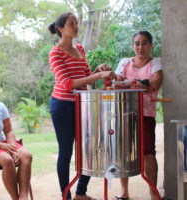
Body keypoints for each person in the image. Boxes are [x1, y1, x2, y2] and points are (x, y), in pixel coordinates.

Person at [48, 12, 117, 200]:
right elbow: (68, 83)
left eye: (77, 23)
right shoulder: (55, 53)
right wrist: (98, 76)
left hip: (83, 105)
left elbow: (86, 76)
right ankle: (66, 196)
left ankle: (80, 193)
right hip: (62, 106)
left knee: (90, 148)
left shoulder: (80, 48)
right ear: (61, 29)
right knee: (66, 151)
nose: (76, 26)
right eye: (71, 23)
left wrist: (98, 70)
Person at [114, 31, 163, 200]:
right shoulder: (124, 63)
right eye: (137, 43)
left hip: (146, 114)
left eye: (144, 43)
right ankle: (124, 192)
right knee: (123, 152)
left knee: (148, 153)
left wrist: (128, 84)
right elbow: (116, 86)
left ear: (151, 45)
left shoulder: (156, 63)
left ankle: (153, 193)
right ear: (132, 46)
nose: (140, 47)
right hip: (123, 113)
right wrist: (143, 84)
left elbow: (155, 84)